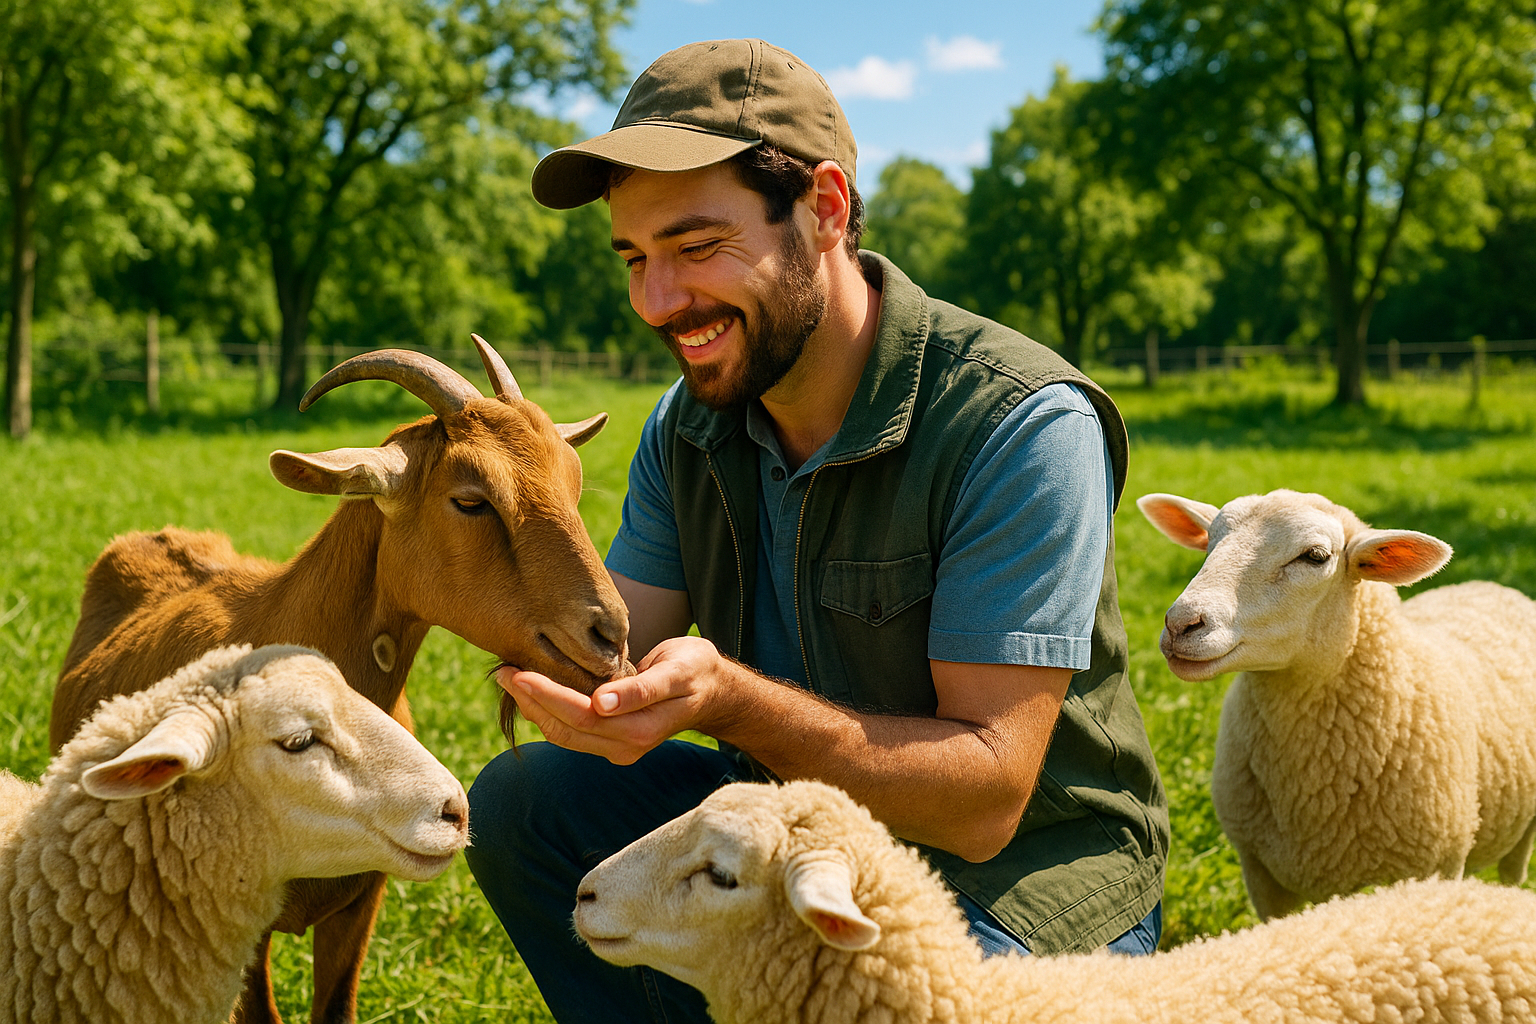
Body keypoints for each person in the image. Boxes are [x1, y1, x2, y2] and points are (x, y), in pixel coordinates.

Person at [465, 37, 1168, 1022]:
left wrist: (725, 698)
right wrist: (488, 587)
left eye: (698, 247)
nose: (657, 302)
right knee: (529, 802)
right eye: (635, 257)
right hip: (785, 834)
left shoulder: (1017, 420)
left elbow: (987, 796)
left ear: (826, 209)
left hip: (1019, 878)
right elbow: (622, 646)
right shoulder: (692, 423)